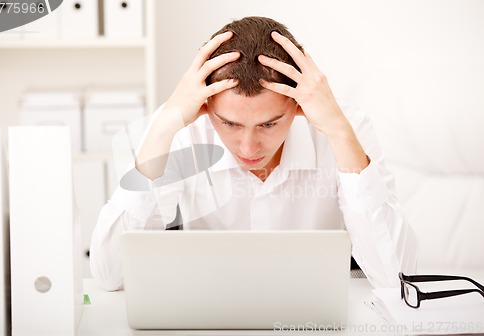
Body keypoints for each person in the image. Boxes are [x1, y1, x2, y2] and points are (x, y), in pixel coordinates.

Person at [90, 16, 418, 291]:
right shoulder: (182, 128)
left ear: (298, 106)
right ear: (206, 107)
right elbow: (110, 275)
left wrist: (340, 133)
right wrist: (162, 127)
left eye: (269, 124)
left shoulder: (344, 128)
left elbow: (398, 278)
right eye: (230, 123)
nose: (248, 148)